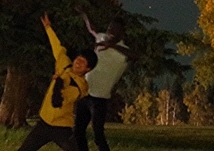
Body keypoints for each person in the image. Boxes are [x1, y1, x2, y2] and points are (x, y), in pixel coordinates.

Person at [16, 14, 98, 151]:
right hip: (44, 122)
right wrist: (48, 28)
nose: (78, 62)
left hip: (62, 128)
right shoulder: (65, 65)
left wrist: (59, 81)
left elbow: (61, 99)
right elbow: (57, 48)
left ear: (87, 69)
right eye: (79, 58)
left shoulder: (81, 86)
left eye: (83, 62)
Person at [74, 15, 133, 151]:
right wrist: (83, 14)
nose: (110, 32)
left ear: (121, 32)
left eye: (114, 29)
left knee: (98, 135)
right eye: (109, 28)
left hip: (99, 99)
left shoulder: (123, 51)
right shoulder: (101, 38)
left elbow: (135, 55)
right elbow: (92, 29)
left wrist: (111, 45)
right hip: (85, 93)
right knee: (78, 132)